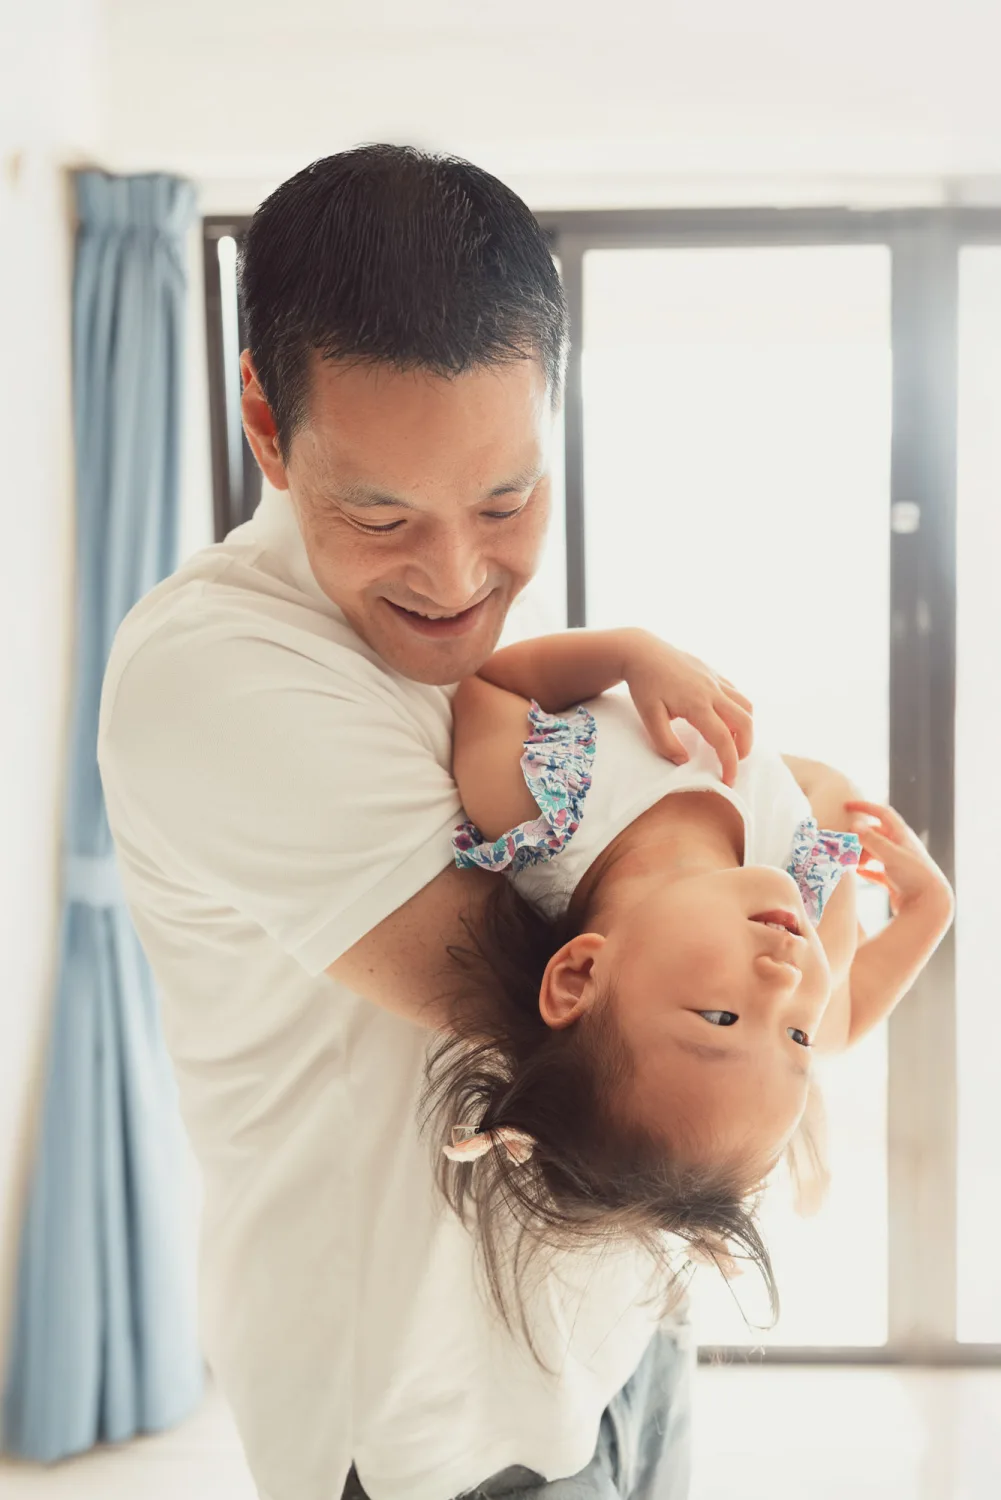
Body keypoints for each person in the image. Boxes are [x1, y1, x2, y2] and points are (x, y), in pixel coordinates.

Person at [97, 145, 732, 1500]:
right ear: (265, 423)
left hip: (620, 1329)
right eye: (378, 515)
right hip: (432, 1421)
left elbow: (667, 945)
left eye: (505, 502)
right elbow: (558, 999)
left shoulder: (473, 673)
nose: (455, 580)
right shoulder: (211, 672)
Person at [416, 637, 954, 1338]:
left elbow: (487, 680)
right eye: (792, 1036)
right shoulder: (801, 904)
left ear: (579, 975)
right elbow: (841, 1024)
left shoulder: (540, 801)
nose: (784, 982)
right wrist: (930, 914)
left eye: (721, 1017)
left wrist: (624, 656)